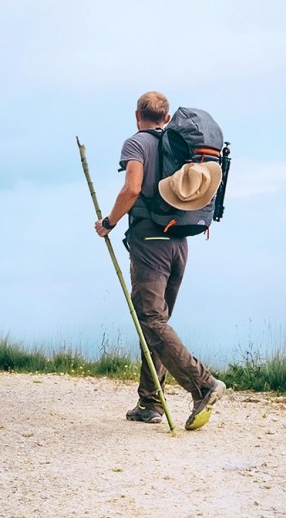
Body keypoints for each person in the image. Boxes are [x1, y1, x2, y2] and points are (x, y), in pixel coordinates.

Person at [93, 91, 226, 431]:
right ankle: (149, 401)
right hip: (180, 240)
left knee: (151, 321)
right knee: (156, 323)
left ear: (137, 114)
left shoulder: (136, 144)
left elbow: (132, 189)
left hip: (150, 240)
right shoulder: (176, 146)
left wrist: (109, 222)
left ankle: (203, 385)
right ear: (166, 119)